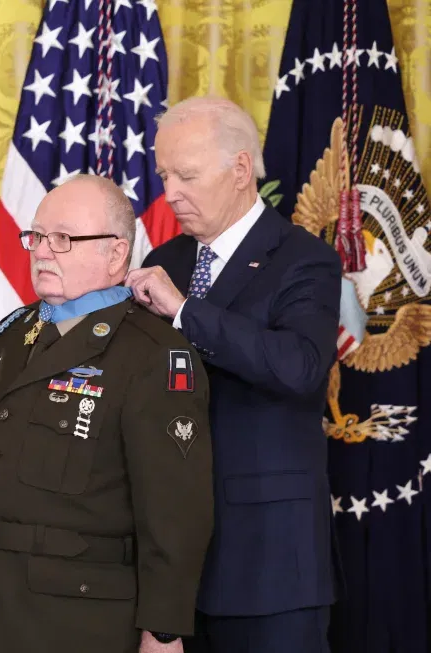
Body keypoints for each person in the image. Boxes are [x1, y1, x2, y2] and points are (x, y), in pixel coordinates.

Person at [0, 174, 214, 653]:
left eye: (63, 239)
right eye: (37, 236)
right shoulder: (8, 335)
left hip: (77, 616)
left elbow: (175, 511)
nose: (42, 251)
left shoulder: (154, 353)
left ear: (115, 254)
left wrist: (163, 630)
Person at [125, 96, 342, 653]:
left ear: (241, 169)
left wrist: (184, 312)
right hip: (173, 568)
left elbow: (300, 367)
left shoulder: (303, 259)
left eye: (187, 175)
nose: (169, 193)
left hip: (271, 567)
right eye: (165, 174)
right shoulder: (166, 260)